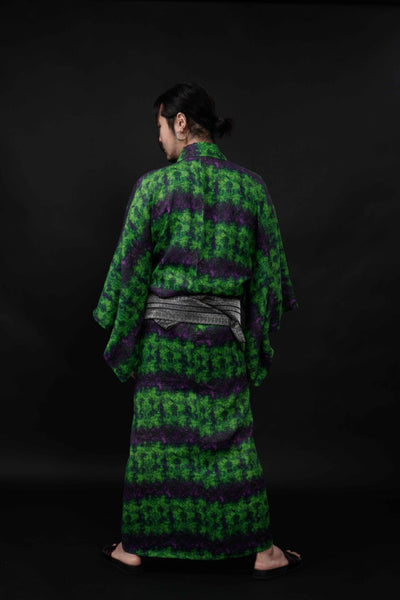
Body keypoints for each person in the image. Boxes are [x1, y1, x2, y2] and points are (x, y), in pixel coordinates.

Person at [93, 81, 302, 579]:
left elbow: (130, 274)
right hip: (223, 344)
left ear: (181, 123)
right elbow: (269, 279)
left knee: (155, 443)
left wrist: (123, 341)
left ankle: (135, 547)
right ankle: (263, 551)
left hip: (163, 347)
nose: (159, 138)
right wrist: (253, 340)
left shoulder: (153, 187)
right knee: (232, 441)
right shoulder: (251, 188)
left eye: (160, 126)